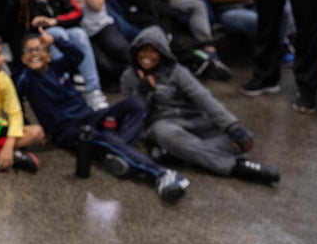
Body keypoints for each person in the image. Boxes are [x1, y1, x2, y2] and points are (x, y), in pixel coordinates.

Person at [14, 29, 190, 202]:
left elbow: (77, 55)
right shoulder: (26, 78)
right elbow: (16, 105)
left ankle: (118, 153)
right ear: (23, 56)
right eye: (30, 51)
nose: (35, 54)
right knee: (103, 137)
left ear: (47, 53)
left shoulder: (56, 67)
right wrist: (29, 126)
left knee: (135, 105)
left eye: (39, 49)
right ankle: (160, 174)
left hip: (90, 116)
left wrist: (56, 41)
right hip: (67, 130)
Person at [120, 27, 280, 185]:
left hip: (194, 122)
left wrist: (233, 127)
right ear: (135, 52)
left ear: (162, 53)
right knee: (166, 134)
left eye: (152, 51)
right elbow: (133, 118)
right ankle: (236, 166)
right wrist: (142, 94)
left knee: (238, 141)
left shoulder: (177, 72)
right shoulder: (128, 78)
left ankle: (178, 154)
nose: (147, 56)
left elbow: (204, 99)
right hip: (163, 127)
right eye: (143, 50)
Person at [0, 32, 43, 172]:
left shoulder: (1, 78)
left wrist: (8, 146)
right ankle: (1, 156)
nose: (3, 58)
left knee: (37, 133)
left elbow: (15, 113)